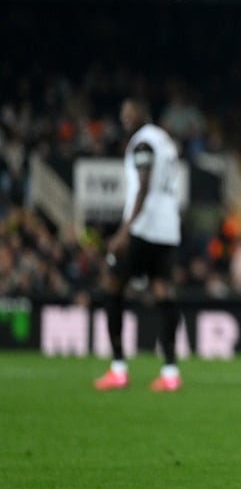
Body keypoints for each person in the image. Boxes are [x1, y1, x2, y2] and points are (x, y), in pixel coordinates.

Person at [94, 98, 186, 392]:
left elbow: (144, 186)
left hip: (143, 227)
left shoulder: (143, 142)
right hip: (168, 227)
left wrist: (124, 230)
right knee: (163, 292)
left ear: (143, 114)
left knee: (111, 286)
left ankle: (119, 368)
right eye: (122, 113)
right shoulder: (166, 141)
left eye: (130, 113)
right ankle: (171, 371)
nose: (125, 118)